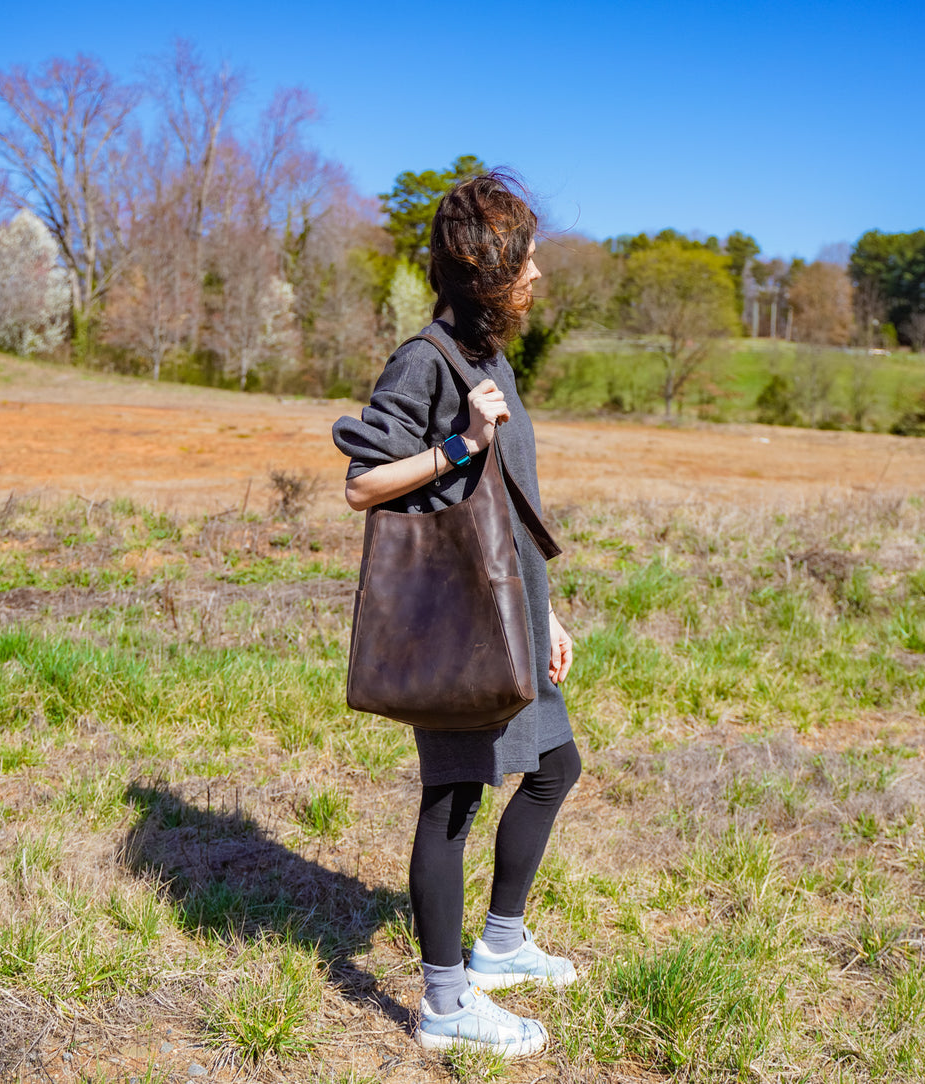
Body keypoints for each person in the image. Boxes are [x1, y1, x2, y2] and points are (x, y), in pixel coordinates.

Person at [331, 172, 581, 1058]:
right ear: (487, 272)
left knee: (555, 766)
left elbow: (508, 503)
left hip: (511, 614)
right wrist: (458, 444)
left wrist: (544, 613)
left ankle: (501, 945)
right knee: (451, 802)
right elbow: (363, 483)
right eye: (526, 263)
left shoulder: (490, 358)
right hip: (458, 626)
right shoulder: (425, 360)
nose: (538, 276)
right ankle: (443, 1005)